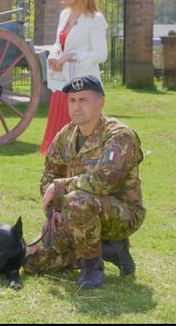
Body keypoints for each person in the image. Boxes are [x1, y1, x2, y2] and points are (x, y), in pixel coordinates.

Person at [24, 75, 145, 289]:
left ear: (100, 103)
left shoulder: (119, 136)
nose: (77, 107)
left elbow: (102, 182)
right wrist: (55, 210)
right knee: (32, 262)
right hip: (74, 212)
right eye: (72, 100)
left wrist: (60, 188)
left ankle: (91, 266)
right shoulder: (66, 135)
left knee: (77, 200)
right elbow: (48, 177)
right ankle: (108, 249)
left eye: (84, 100)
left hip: (121, 214)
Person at [39, 0, 108, 154]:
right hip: (62, 83)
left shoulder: (95, 19)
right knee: (60, 135)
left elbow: (101, 54)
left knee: (81, 135)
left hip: (83, 85)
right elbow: (58, 43)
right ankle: (58, 167)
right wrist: (54, 54)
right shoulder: (64, 15)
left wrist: (71, 56)